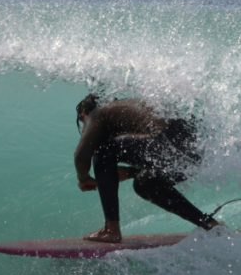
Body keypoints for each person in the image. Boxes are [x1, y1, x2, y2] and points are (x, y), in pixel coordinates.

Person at [73, 94, 220, 242]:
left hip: (165, 140)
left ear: (85, 114)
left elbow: (81, 156)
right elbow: (165, 155)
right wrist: (130, 172)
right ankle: (210, 225)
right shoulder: (129, 111)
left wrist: (84, 178)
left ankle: (111, 229)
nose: (85, 128)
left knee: (102, 149)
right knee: (144, 183)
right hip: (193, 152)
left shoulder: (98, 112)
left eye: (83, 122)